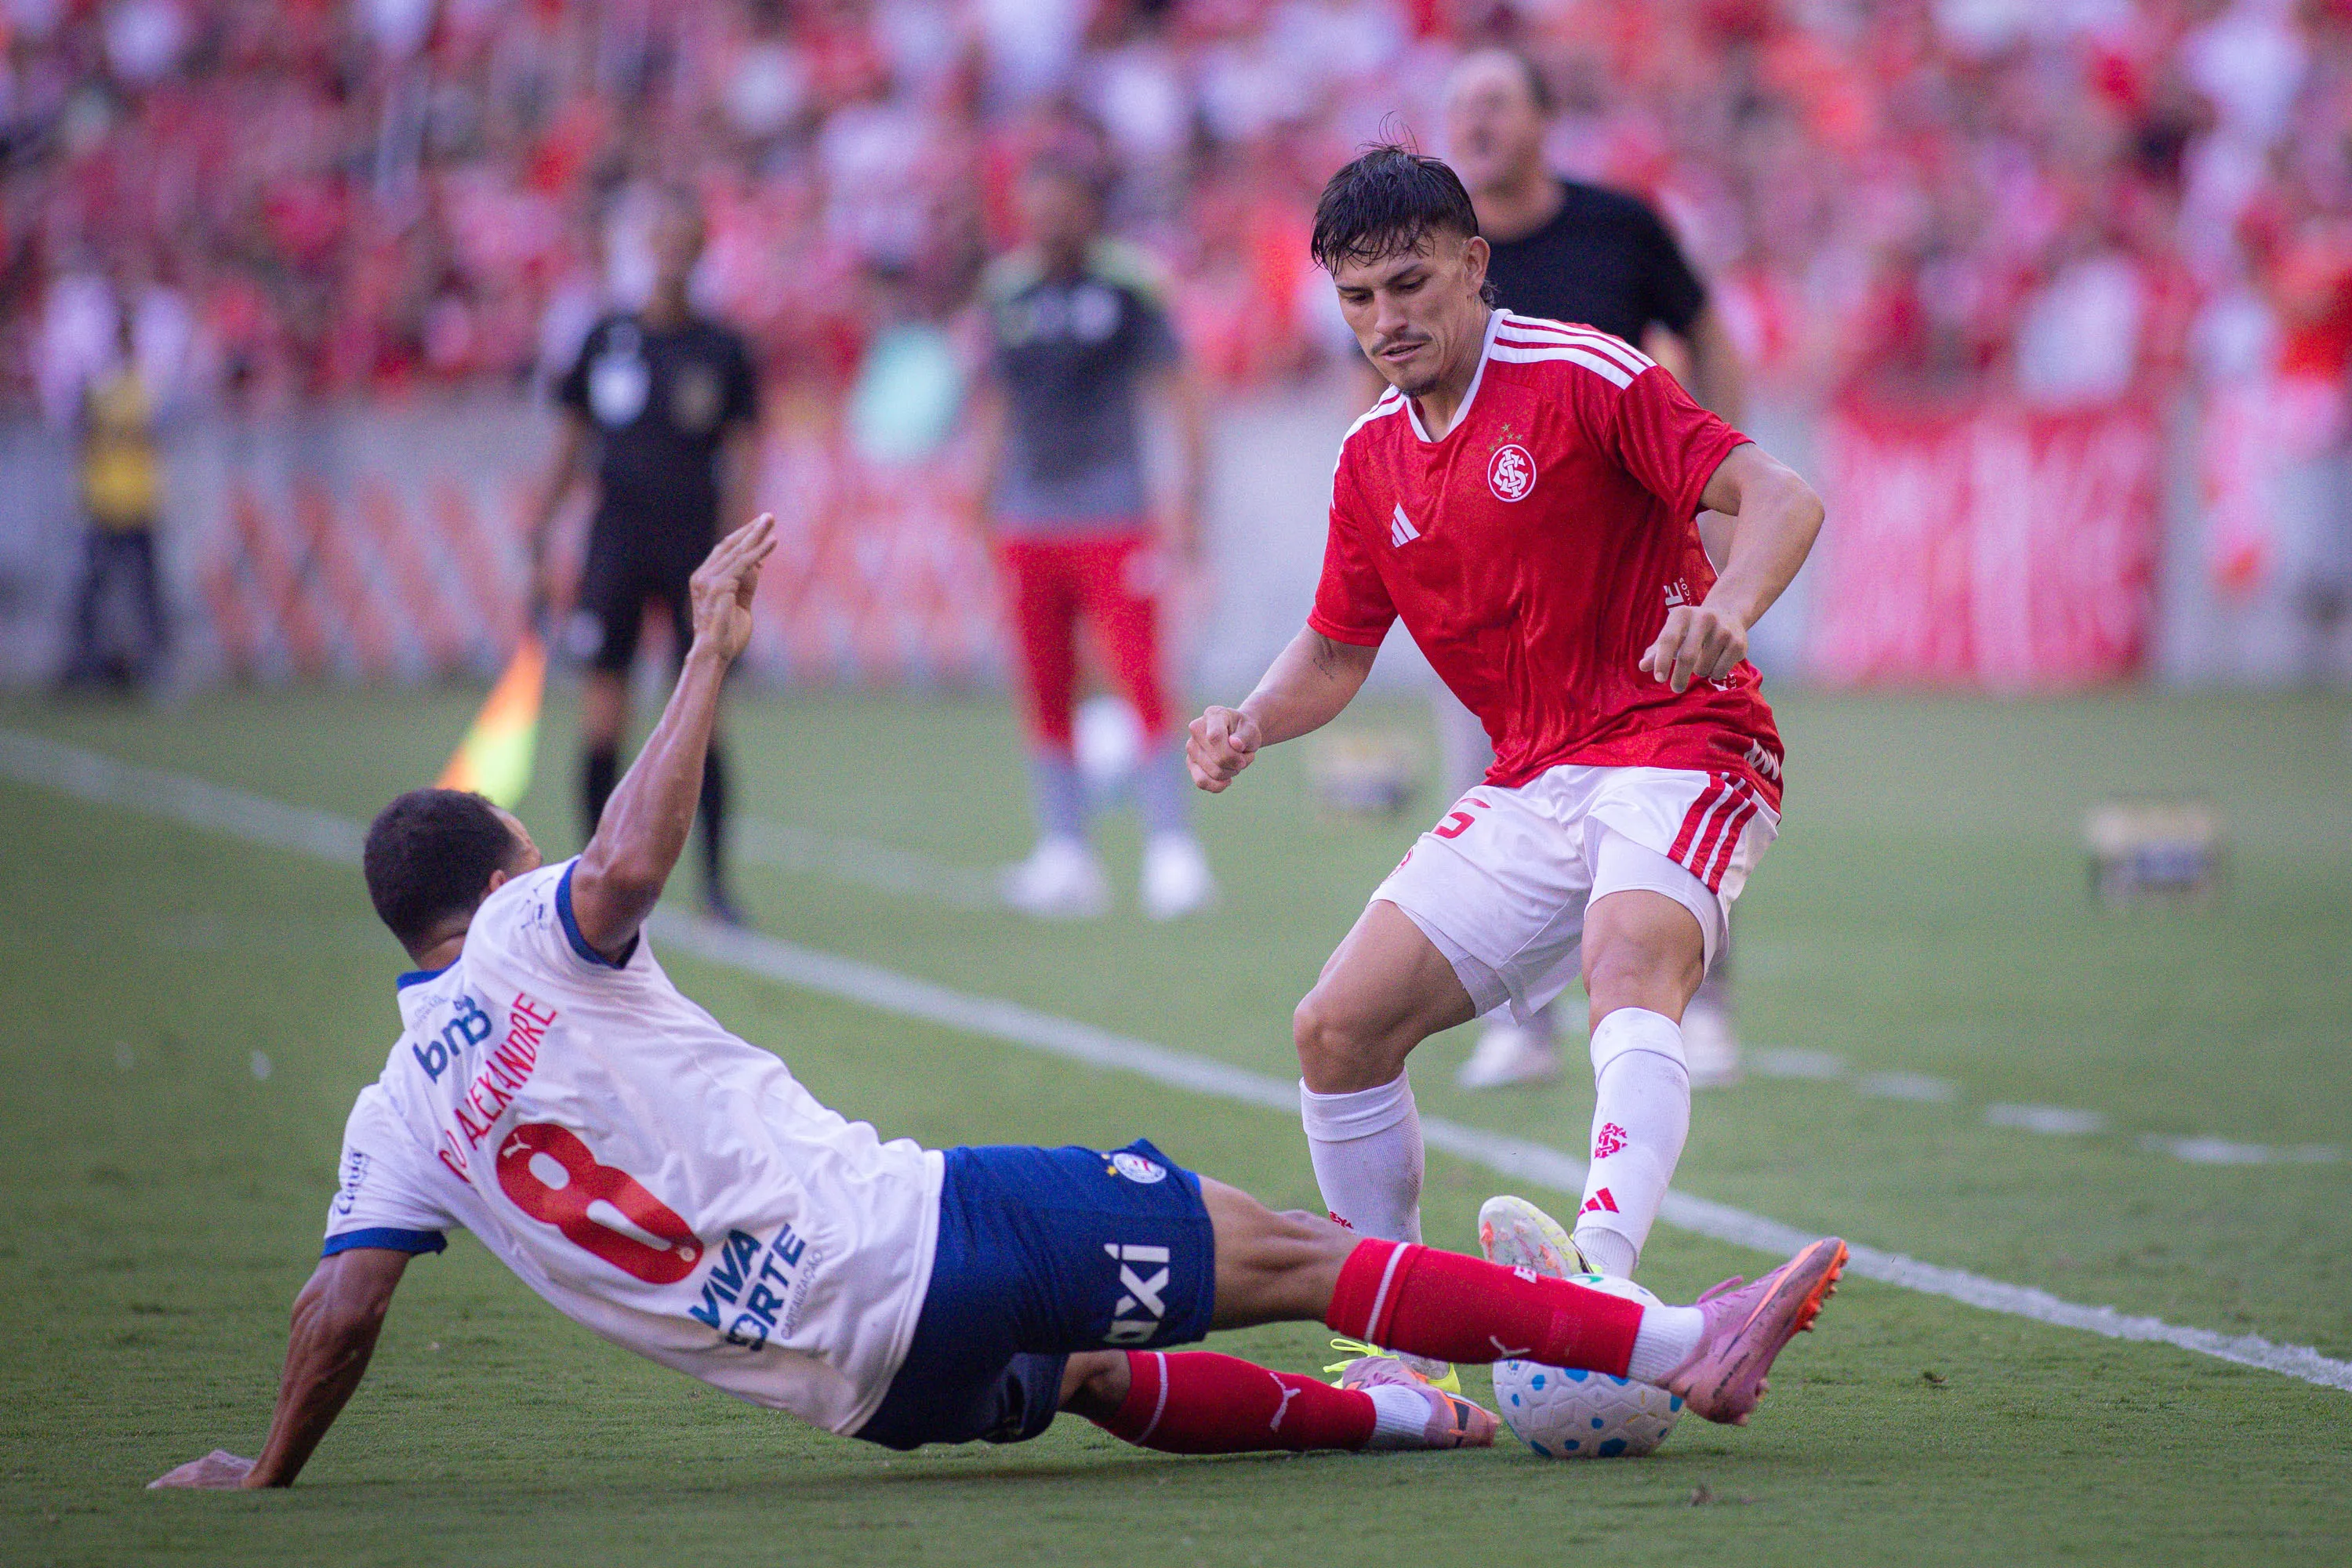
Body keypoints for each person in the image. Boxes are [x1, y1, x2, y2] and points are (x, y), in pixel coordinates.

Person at [147, 515, 1845, 1488]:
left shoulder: (391, 1117)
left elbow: (340, 1317)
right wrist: (715, 648)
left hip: (850, 1385)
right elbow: (630, 861)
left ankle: (1415, 1413)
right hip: (918, 1237)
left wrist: (267, 1467)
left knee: (1101, 1373)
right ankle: (1686, 1346)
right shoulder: (537, 927)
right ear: (500, 873)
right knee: (1293, 1251)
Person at [1186, 150, 1823, 1316]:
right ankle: (1397, 1327)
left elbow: (1782, 495)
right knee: (1336, 1031)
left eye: (1412, 285)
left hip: (1685, 740)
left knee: (1625, 959)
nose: (1387, 320)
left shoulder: (1583, 374)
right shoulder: (1369, 454)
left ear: (1475, 266)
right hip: (1534, 778)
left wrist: (1727, 609)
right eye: (1359, 298)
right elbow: (1336, 649)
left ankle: (1600, 1281)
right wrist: (1251, 721)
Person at [1439, 47, 1753, 1089]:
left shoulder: (1618, 224)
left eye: (1497, 104)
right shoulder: (1442, 258)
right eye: (1462, 108)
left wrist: (1714, 465)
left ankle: (1697, 1004)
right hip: (1496, 585)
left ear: (1541, 120)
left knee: (1671, 775)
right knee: (1500, 790)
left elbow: (1706, 332)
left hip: (1630, 567)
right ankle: (1519, 1024)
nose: (1477, 123)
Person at [972, 151, 1217, 921]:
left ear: (1089, 204)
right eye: (1036, 200)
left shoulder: (1129, 283)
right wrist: (981, 496)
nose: (1049, 217)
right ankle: (1065, 849)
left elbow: (1179, 388)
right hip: (1029, 514)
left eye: (1063, 199)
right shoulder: (1006, 290)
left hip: (1115, 510)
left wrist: (1189, 493)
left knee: (1142, 675)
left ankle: (1172, 848)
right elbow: (995, 401)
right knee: (1044, 683)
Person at [528, 187, 760, 924]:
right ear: (643, 246)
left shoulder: (723, 350)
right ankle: (590, 881)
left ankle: (714, 888)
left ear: (700, 251)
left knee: (700, 720)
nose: (671, 252)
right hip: (615, 546)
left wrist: (737, 553)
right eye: (660, 237)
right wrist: (540, 527)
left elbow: (745, 456)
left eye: (685, 239)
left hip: (694, 548)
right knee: (604, 715)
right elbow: (571, 441)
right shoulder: (604, 339)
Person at [59, 307, 169, 689]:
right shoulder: (109, 388)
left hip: (134, 500)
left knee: (139, 591)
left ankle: (150, 666)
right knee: (99, 591)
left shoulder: (136, 387)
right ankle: (85, 664)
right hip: (109, 500)